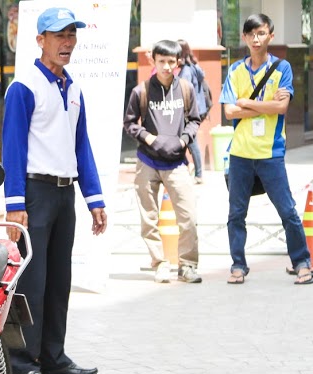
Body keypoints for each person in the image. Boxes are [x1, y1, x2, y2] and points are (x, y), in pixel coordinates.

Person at [1, 7, 107, 374]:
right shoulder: (24, 86)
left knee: (60, 278)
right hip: (34, 193)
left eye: (71, 35)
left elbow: (82, 147)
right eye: (59, 35)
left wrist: (94, 198)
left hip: (64, 195)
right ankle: (21, 361)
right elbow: (10, 147)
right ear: (40, 40)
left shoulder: (73, 87)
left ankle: (53, 356)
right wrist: (15, 203)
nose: (67, 43)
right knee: (34, 280)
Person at [221, 13, 311, 285]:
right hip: (240, 154)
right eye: (251, 34)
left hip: (271, 152)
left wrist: (246, 103)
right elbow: (228, 112)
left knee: (288, 211)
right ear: (245, 38)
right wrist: (265, 106)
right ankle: (238, 265)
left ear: (270, 35)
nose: (256, 39)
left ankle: (302, 263)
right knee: (236, 214)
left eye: (261, 33)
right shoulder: (235, 70)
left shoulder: (282, 68)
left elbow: (281, 108)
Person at [123, 39, 202, 284]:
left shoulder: (186, 89)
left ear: (178, 62)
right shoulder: (141, 91)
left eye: (171, 61)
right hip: (147, 161)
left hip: (177, 162)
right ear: (153, 61)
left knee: (188, 217)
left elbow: (195, 120)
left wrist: (183, 141)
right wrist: (148, 138)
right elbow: (129, 123)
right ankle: (159, 263)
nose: (167, 67)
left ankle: (187, 265)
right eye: (162, 61)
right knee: (149, 219)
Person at [177, 39, 208, 183]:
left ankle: (199, 174)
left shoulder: (186, 72)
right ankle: (193, 170)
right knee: (189, 140)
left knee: (191, 141)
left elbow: (184, 93)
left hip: (189, 112)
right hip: (199, 109)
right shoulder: (194, 66)